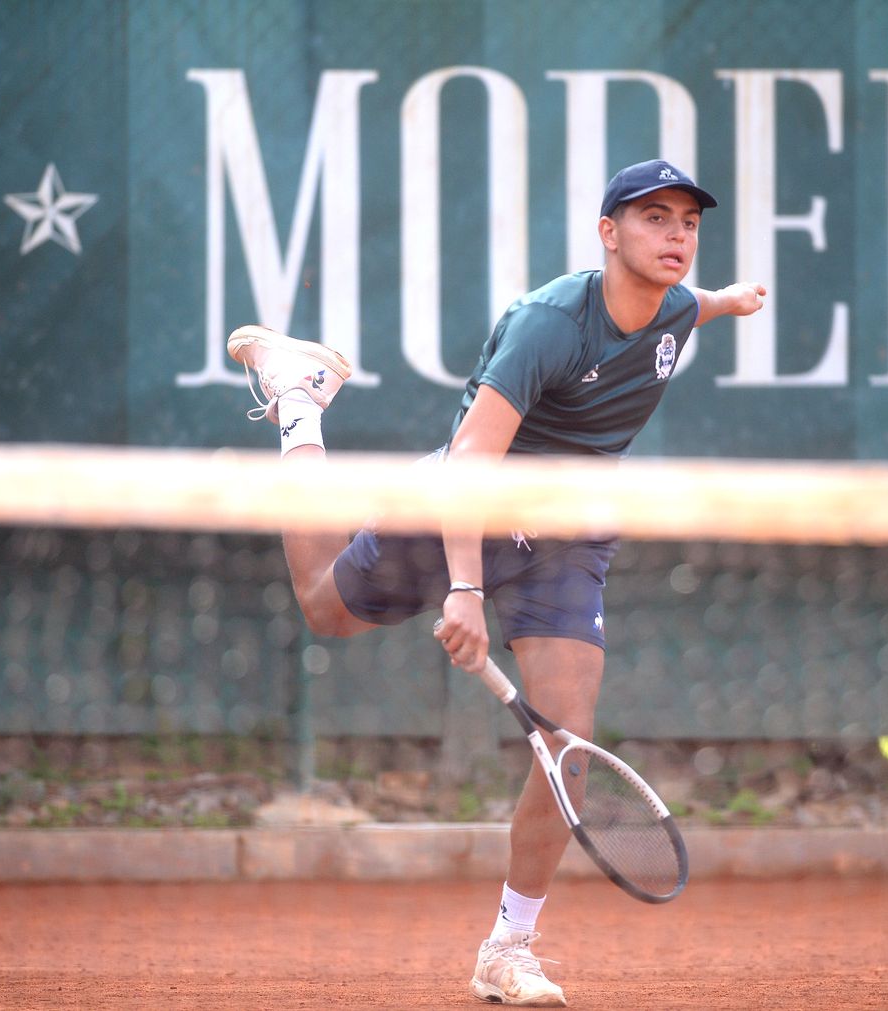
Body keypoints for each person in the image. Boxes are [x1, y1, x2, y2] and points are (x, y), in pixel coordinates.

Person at [227, 159, 766, 1007]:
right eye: (654, 218)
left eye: (688, 223)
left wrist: (729, 299)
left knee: (569, 747)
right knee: (325, 608)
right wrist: (466, 590)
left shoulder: (673, 308)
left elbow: (692, 305)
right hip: (471, 495)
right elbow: (472, 465)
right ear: (608, 232)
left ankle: (509, 946)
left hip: (567, 531)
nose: (676, 236)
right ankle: (299, 401)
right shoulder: (548, 324)